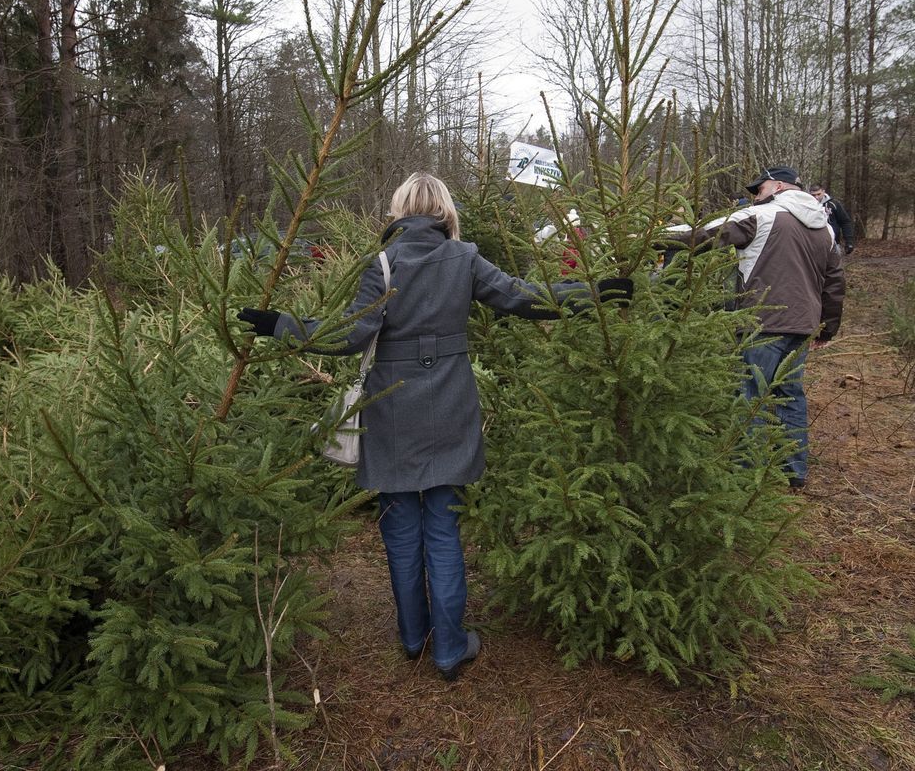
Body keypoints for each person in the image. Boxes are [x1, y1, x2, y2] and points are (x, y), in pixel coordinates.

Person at [237, 172, 632, 680]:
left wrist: (279, 325)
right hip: (450, 405)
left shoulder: (381, 263)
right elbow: (525, 298)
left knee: (400, 526)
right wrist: (596, 293)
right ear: (445, 211)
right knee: (443, 528)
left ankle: (410, 636)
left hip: (390, 408)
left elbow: (350, 337)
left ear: (399, 211)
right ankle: (449, 650)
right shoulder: (464, 258)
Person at [667, 166, 845, 488]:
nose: (755, 195)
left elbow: (705, 233)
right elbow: (834, 282)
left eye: (759, 189)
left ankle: (744, 474)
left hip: (762, 322)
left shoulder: (762, 216)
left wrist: (651, 240)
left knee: (749, 395)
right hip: (803, 326)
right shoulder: (826, 229)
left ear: (777, 186)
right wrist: (827, 328)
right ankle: (794, 473)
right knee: (790, 396)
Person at [809, 183, 854, 255]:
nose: (816, 197)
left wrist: (849, 241)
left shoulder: (834, 204)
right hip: (813, 243)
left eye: (818, 194)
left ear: (823, 192)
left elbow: (845, 222)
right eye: (813, 195)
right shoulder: (807, 206)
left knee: (834, 265)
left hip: (834, 242)